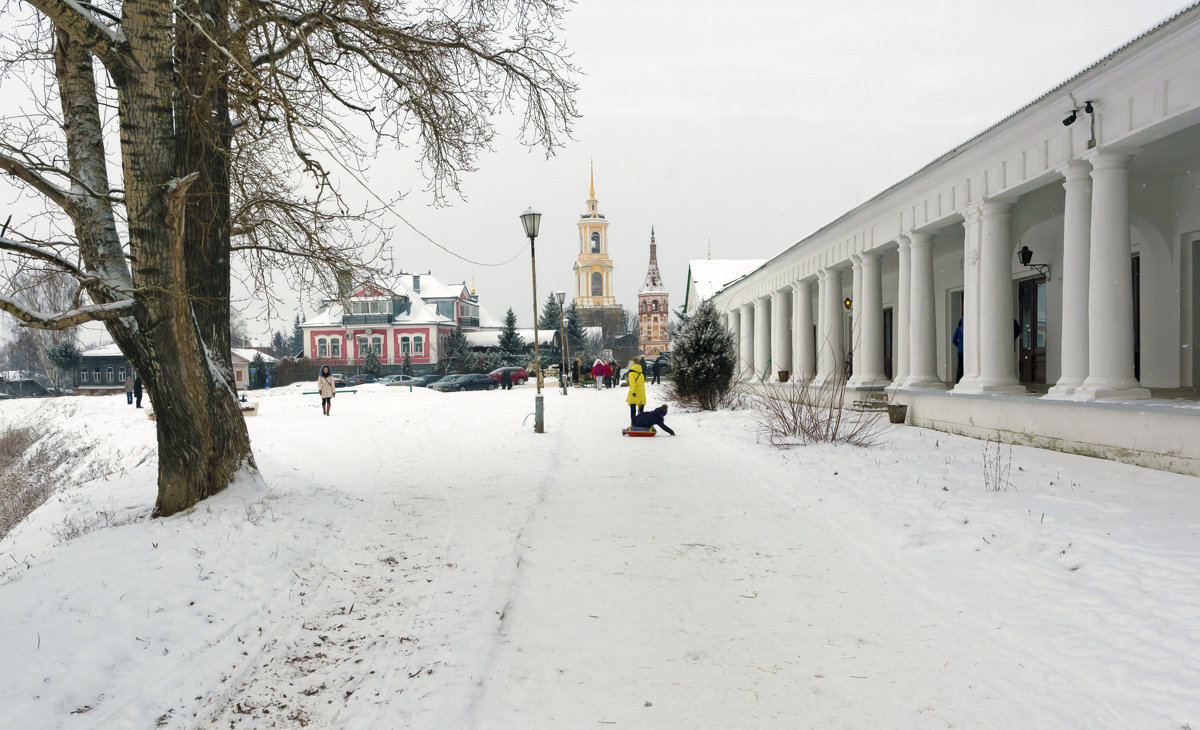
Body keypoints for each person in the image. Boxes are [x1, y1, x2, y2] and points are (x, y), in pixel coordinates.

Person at [626, 358, 646, 423]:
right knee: (641, 410)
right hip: (641, 393)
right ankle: (640, 423)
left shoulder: (631, 373)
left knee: (633, 409)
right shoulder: (641, 373)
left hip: (634, 394)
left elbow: (632, 384)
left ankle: (633, 423)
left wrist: (633, 392)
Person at [952, 318, 964, 383]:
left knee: (960, 366)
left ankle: (958, 380)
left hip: (960, 351)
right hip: (967, 351)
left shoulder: (958, 329)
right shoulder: (967, 330)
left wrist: (958, 345)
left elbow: (954, 340)